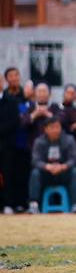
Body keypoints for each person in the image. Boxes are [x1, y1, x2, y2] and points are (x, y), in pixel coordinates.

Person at [28, 117, 76, 213]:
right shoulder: (39, 141)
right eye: (52, 127)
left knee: (75, 171)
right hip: (46, 174)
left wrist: (63, 166)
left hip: (63, 173)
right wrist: (47, 166)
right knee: (35, 173)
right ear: (45, 129)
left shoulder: (69, 139)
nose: (55, 130)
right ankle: (34, 205)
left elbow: (75, 158)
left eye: (58, 127)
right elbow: (35, 161)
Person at [0, 74, 20, 214]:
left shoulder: (11, 100)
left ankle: (8, 204)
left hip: (7, 144)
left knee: (8, 175)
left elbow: (15, 121)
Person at [22, 83, 63, 149]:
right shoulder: (28, 106)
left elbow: (62, 121)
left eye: (44, 91)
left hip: (53, 143)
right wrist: (34, 114)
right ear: (35, 94)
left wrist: (47, 114)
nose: (42, 94)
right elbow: (23, 122)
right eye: (39, 91)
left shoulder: (57, 106)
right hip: (33, 144)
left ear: (49, 94)